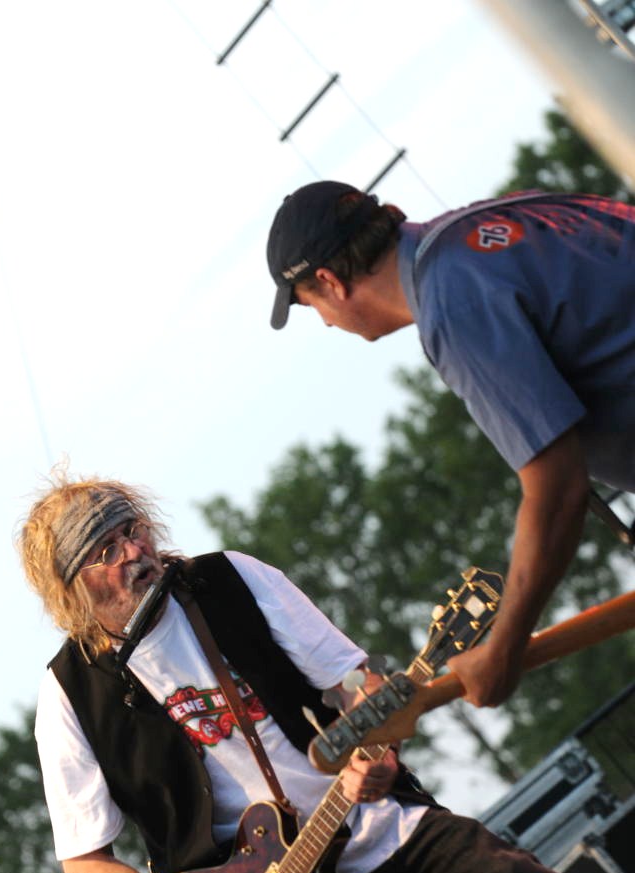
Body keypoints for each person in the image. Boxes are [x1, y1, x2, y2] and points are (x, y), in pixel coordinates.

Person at [21, 474, 635, 873]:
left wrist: (379, 751)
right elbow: (86, 867)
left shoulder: (230, 579)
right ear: (74, 590)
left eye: (133, 530)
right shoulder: (69, 695)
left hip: (374, 826)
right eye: (107, 550)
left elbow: (354, 684)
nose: (134, 552)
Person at [266, 181, 635, 709]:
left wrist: (502, 649)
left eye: (310, 305)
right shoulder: (496, 220)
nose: (326, 322)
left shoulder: (451, 301)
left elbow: (557, 489)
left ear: (329, 281)